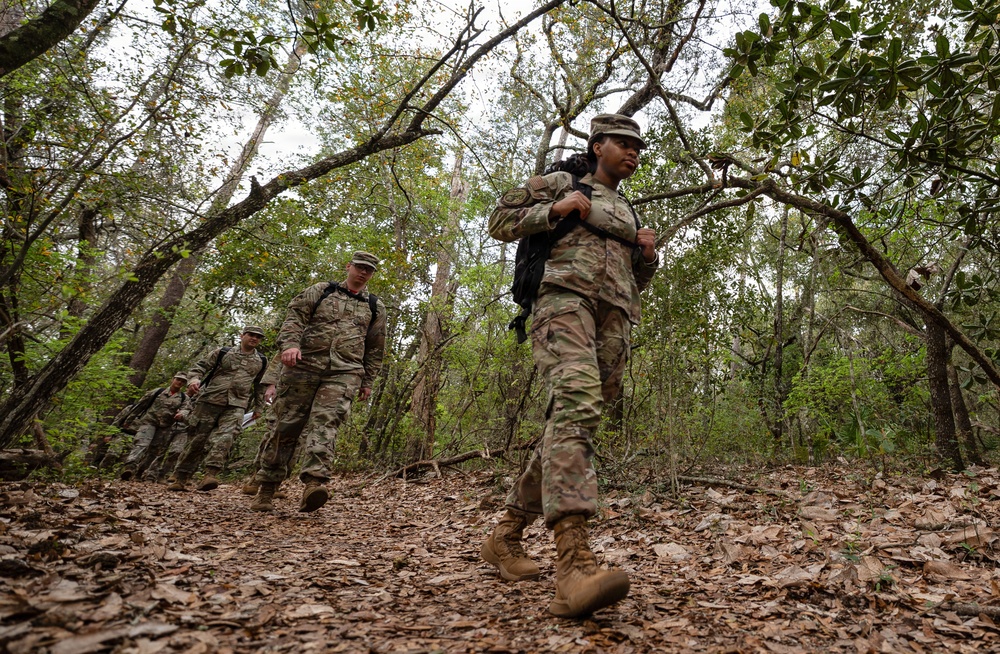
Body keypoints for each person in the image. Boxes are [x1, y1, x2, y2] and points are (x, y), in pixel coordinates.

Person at [482, 114, 659, 618]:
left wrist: (646, 255)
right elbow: (498, 221)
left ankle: (505, 534)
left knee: (573, 422)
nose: (633, 153)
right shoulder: (561, 181)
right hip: (562, 302)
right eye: (623, 143)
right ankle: (573, 565)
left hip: (614, 318)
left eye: (637, 147)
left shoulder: (624, 208)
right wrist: (554, 209)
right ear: (597, 145)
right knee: (578, 407)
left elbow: (635, 279)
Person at [249, 251, 386, 513]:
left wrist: (368, 380)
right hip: (303, 367)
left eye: (368, 270)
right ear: (348, 266)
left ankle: (314, 483)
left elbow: (376, 347)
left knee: (326, 424)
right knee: (285, 426)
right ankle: (267, 486)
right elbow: (294, 319)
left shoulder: (374, 306)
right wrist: (289, 345)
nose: (363, 273)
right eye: (359, 267)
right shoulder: (321, 291)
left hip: (344, 372)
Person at [168, 326, 269, 492]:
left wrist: (259, 407)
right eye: (251, 335)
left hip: (237, 404)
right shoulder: (222, 352)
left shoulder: (261, 361)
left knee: (227, 437)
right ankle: (181, 476)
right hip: (209, 400)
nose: (254, 338)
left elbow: (259, 386)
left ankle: (211, 474)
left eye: (258, 337)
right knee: (198, 440)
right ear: (242, 335)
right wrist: (193, 380)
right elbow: (199, 367)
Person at [119, 373, 191, 480]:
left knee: (154, 451)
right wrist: (129, 420)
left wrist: (182, 414)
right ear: (173, 379)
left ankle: (140, 472)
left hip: (165, 427)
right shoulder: (157, 392)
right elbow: (140, 405)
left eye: (182, 381)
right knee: (141, 444)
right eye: (178, 379)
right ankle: (129, 467)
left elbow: (186, 409)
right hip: (149, 422)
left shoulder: (183, 397)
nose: (179, 382)